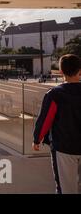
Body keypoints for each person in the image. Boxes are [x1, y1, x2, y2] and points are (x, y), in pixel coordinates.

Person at [33, 54, 81, 194]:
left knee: (66, 188)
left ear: (61, 71)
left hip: (64, 148)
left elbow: (45, 119)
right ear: (80, 70)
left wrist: (37, 139)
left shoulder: (55, 94)